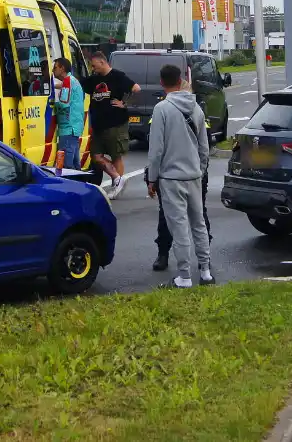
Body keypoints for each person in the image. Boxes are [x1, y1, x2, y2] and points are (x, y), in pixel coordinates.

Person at [146, 63, 213, 288]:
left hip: (171, 178)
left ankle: (184, 276)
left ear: (162, 82)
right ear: (181, 79)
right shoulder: (197, 108)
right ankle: (205, 271)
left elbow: (156, 149)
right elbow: (204, 147)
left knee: (179, 227)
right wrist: (200, 170)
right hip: (194, 176)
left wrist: (152, 179)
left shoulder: (162, 109)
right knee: (199, 223)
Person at [84, 51, 139, 196]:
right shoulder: (94, 79)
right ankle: (118, 178)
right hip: (98, 124)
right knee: (96, 156)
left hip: (116, 123)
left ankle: (117, 186)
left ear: (102, 62)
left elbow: (136, 89)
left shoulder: (118, 76)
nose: (93, 69)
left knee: (116, 155)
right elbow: (77, 84)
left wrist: (125, 103)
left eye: (94, 66)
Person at [51, 57, 84, 170]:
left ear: (62, 68)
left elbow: (64, 103)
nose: (52, 70)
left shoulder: (68, 81)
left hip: (68, 127)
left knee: (65, 165)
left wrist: (52, 103)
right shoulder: (72, 80)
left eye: (55, 67)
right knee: (75, 163)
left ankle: (69, 186)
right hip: (74, 126)